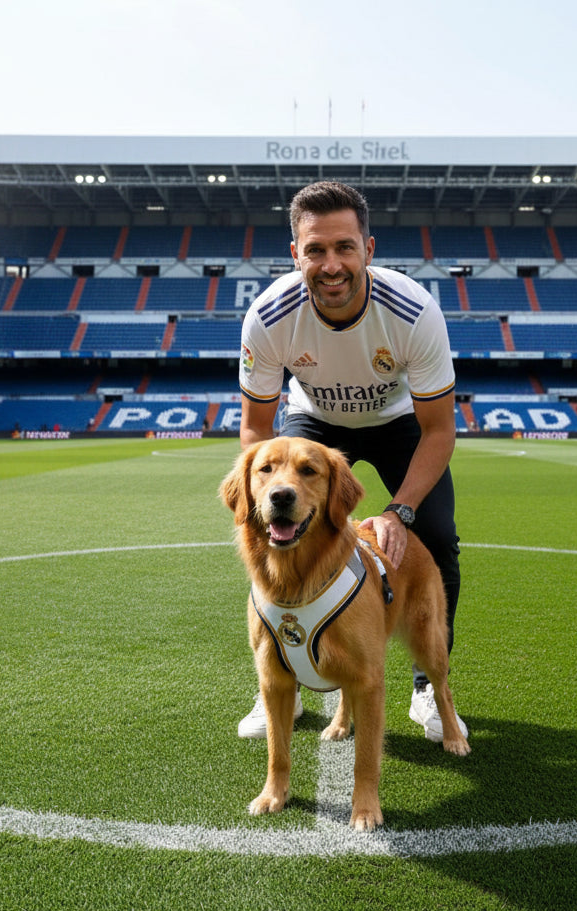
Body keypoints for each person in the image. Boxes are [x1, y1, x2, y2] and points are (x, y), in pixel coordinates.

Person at [236, 180, 466, 744]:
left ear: (369, 248)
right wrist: (257, 497)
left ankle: (424, 688)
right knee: (270, 534)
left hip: (397, 421)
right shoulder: (268, 316)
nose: (330, 264)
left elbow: (439, 431)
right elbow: (256, 430)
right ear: (296, 255)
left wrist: (400, 512)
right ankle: (279, 669)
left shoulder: (413, 311)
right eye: (315, 250)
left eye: (344, 247)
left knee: (437, 536)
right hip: (312, 422)